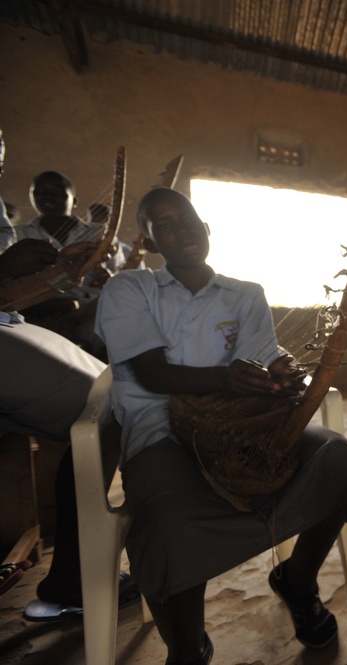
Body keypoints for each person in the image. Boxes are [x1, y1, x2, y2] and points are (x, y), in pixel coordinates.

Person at [95, 187, 347, 664]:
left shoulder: (246, 295)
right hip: (159, 431)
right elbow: (152, 374)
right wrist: (228, 377)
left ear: (207, 229)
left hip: (242, 428)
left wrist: (277, 380)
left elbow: (261, 364)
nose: (180, 230)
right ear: (152, 241)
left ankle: (298, 582)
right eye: (164, 225)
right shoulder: (130, 289)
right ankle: (187, 646)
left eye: (187, 219)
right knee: (166, 522)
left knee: (335, 459)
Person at [0, 130, 135, 620]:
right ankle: (73, 580)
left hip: (15, 323)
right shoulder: (21, 232)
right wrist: (7, 270)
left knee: (105, 406)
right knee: (110, 409)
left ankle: (72, 574)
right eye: (43, 193)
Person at [15, 171, 127, 358]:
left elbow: (120, 272)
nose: (47, 196)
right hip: (37, 314)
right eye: (39, 192)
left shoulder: (101, 235)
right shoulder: (18, 235)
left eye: (56, 192)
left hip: (90, 311)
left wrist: (107, 276)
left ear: (74, 200)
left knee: (110, 339)